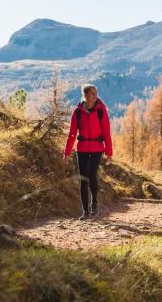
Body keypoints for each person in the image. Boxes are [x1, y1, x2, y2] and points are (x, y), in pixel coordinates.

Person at [63, 84, 113, 220]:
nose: (95, 95)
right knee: (83, 179)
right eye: (92, 93)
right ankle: (85, 211)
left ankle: (94, 202)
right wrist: (67, 152)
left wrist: (109, 153)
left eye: (96, 92)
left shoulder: (101, 111)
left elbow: (107, 133)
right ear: (85, 95)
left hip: (97, 148)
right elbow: (72, 134)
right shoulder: (77, 112)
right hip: (82, 148)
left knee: (92, 174)